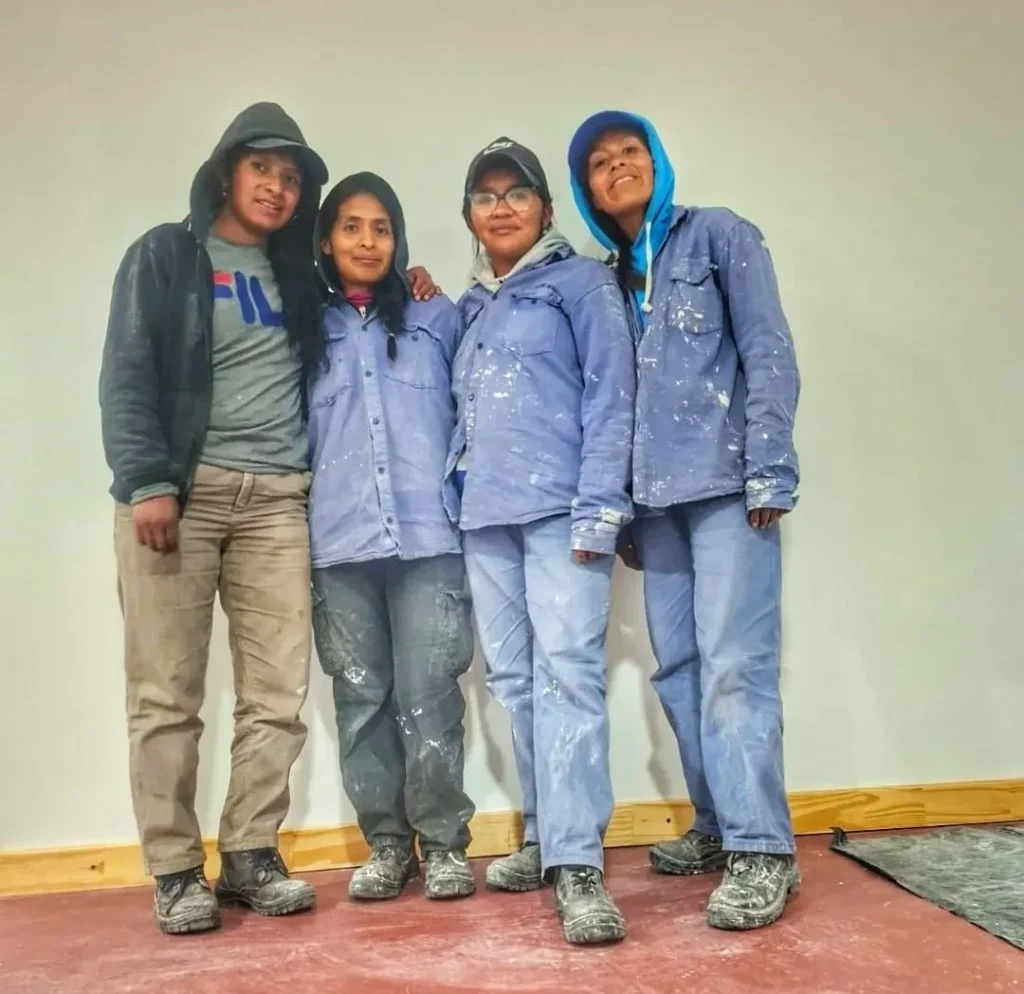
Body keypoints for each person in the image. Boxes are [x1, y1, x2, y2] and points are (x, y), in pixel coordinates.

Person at [99, 103, 439, 935]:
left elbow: (366, 303)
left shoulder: (302, 281)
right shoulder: (167, 255)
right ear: (227, 172)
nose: (278, 188)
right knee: (166, 695)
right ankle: (176, 870)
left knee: (278, 694)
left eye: (292, 178)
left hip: (281, 501)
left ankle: (251, 853)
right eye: (263, 171)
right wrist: (147, 479)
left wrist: (412, 283)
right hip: (181, 497)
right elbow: (128, 370)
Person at [567, 110, 802, 931]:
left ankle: (762, 848)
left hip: (732, 491)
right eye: (598, 162)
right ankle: (715, 825)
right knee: (682, 672)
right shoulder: (603, 277)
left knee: (737, 664)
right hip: (654, 509)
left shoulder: (720, 237)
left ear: (657, 162)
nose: (616, 167)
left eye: (629, 152)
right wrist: (622, 507)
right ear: (586, 188)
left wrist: (770, 463)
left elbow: (769, 348)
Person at [450, 138, 636, 945]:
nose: (500, 206)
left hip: (562, 514)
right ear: (469, 216)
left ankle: (579, 865)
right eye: (484, 196)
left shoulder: (582, 284)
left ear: (546, 208)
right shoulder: (472, 305)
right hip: (483, 519)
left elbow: (612, 394)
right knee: (518, 682)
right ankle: (542, 836)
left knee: (569, 678)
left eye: (515, 192)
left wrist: (600, 508)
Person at [307, 171, 476, 903]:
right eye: (351, 226)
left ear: (397, 239)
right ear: (326, 240)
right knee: (361, 697)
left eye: (380, 228)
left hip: (429, 540)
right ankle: (385, 844)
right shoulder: (302, 327)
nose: (367, 241)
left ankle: (442, 844)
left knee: (430, 692)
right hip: (339, 544)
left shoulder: (440, 320)